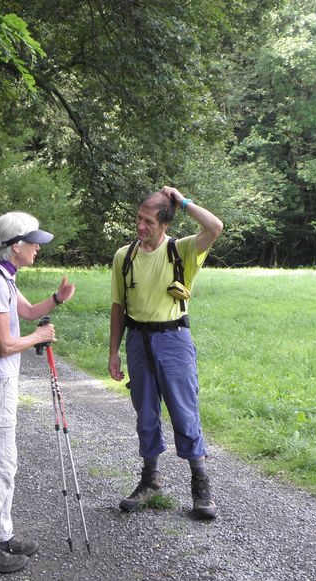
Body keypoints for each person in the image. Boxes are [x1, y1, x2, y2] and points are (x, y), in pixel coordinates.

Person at [0, 211, 76, 574]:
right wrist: (39, 338)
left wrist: (56, 300)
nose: (38, 249)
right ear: (15, 247)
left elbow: (27, 312)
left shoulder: (3, 275)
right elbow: (4, 343)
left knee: (5, 462)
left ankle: (1, 535)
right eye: (34, 243)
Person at [108, 186, 223, 520]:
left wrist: (182, 200)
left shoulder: (181, 250)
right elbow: (117, 306)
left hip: (174, 340)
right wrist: (113, 351)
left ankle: (200, 485)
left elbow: (214, 227)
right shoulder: (123, 256)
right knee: (145, 414)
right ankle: (150, 479)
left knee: (184, 413)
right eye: (138, 219)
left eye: (148, 221)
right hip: (138, 341)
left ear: (165, 224)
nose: (140, 226)